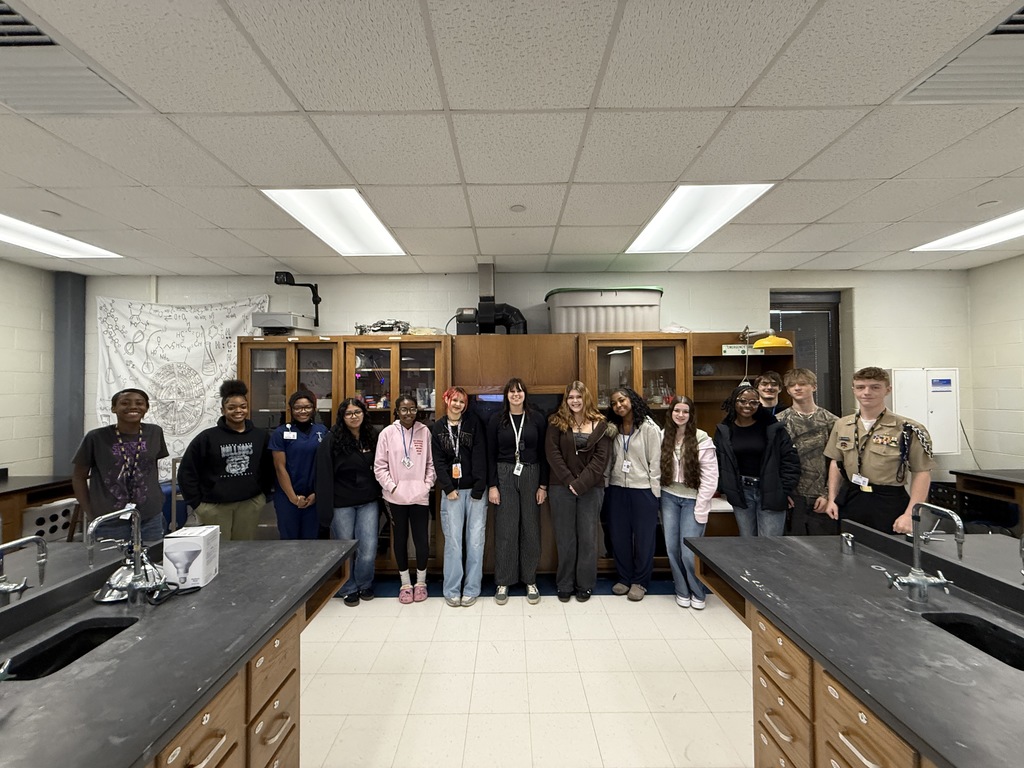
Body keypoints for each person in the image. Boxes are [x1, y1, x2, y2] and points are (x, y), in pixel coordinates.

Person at [824, 367, 935, 535]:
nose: (866, 392)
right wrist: (832, 498)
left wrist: (910, 513)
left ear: (887, 390)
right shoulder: (842, 425)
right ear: (853, 389)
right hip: (852, 497)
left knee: (890, 554)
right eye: (860, 387)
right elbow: (836, 462)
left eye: (875, 387)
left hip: (888, 500)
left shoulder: (907, 428)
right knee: (848, 553)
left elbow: (922, 472)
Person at [177, 379, 274, 541]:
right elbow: (187, 472)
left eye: (243, 407)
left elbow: (268, 468)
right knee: (218, 552)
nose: (238, 411)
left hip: (249, 504)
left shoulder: (260, 436)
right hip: (214, 507)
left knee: (244, 549)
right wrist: (198, 505)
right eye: (232, 407)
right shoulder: (207, 438)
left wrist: (263, 495)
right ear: (223, 410)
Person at [545, 380, 614, 603]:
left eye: (578, 396)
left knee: (588, 537)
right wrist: (569, 481)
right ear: (566, 400)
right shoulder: (556, 423)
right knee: (565, 538)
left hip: (591, 490)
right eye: (571, 397)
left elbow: (600, 460)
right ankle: (564, 583)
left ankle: (585, 584)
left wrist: (580, 484)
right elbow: (552, 454)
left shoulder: (600, 424)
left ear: (586, 398)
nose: (575, 401)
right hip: (560, 488)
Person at [72, 387, 169, 543]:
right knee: (111, 562)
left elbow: (150, 468)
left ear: (146, 409)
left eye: (139, 403)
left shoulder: (155, 432)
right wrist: (90, 512)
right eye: (125, 403)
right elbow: (79, 477)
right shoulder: (96, 437)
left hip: (150, 515)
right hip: (109, 517)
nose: (133, 407)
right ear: (113, 408)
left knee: (150, 561)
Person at [487, 377, 548, 605]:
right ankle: (504, 580)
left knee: (531, 527)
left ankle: (530, 579)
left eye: (519, 391)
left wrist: (543, 485)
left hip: (531, 473)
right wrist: (493, 485)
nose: (516, 395)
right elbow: (490, 455)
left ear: (525, 395)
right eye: (512, 392)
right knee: (506, 528)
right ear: (506, 395)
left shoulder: (536, 419)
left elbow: (544, 453)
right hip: (504, 474)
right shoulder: (496, 420)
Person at [316, 398, 382, 606]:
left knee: (369, 548)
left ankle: (364, 583)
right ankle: (347, 587)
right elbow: (324, 474)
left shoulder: (372, 436)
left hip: (368, 501)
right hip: (341, 502)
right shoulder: (332, 439)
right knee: (345, 548)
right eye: (349, 413)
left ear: (364, 413)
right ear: (342, 417)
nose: (354, 416)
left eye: (357, 412)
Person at [714, 384, 800, 537]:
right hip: (741, 493)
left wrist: (784, 490)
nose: (748, 406)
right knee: (748, 542)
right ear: (734, 402)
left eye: (753, 402)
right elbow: (719, 461)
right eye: (742, 401)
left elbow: (790, 460)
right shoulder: (724, 430)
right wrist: (725, 487)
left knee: (770, 544)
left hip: (771, 490)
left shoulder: (773, 428)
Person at [374, 395, 435, 604]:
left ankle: (421, 583)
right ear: (397, 411)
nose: (408, 413)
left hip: (419, 496)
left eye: (412, 409)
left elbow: (431, 463)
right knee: (399, 540)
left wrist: (426, 485)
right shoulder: (387, 434)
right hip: (395, 498)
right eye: (404, 409)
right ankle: (405, 584)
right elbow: (379, 467)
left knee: (421, 541)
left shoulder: (424, 431)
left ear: (417, 411)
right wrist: (393, 487)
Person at [659, 396, 718, 609]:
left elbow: (711, 477)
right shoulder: (664, 435)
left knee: (688, 551)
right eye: (677, 411)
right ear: (671, 413)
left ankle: (697, 592)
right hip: (668, 497)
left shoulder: (702, 438)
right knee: (672, 548)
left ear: (691, 415)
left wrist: (702, 505)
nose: (681, 415)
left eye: (685, 411)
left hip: (692, 500)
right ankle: (681, 590)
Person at [431, 386, 487, 608]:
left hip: (475, 492)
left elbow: (481, 455)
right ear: (447, 401)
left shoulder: (473, 424)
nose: (458, 405)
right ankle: (452, 589)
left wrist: (479, 487)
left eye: (462, 402)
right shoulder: (438, 428)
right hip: (451, 493)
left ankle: (472, 588)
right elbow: (438, 461)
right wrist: (447, 487)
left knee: (475, 541)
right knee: (453, 543)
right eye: (454, 400)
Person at [604, 387, 662, 602]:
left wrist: (655, 494)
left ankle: (640, 581)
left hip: (643, 490)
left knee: (644, 538)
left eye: (622, 400)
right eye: (614, 403)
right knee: (619, 536)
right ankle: (624, 578)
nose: (619, 405)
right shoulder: (612, 428)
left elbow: (656, 462)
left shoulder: (649, 427)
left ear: (632, 400)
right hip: (617, 488)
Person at [777, 369, 839, 536]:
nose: (797, 388)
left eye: (802, 384)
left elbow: (838, 462)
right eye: (792, 385)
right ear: (787, 390)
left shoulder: (832, 422)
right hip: (792, 498)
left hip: (822, 497)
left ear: (814, 387)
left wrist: (828, 495)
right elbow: (775, 462)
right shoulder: (779, 422)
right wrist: (783, 493)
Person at [269, 390, 327, 540]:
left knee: (311, 541)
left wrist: (316, 494)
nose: (303, 411)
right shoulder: (280, 433)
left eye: (307, 407)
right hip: (287, 497)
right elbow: (279, 468)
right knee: (289, 541)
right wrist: (293, 498)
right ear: (291, 410)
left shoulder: (321, 431)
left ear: (314, 409)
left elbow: (326, 465)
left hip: (314, 496)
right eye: (298, 408)